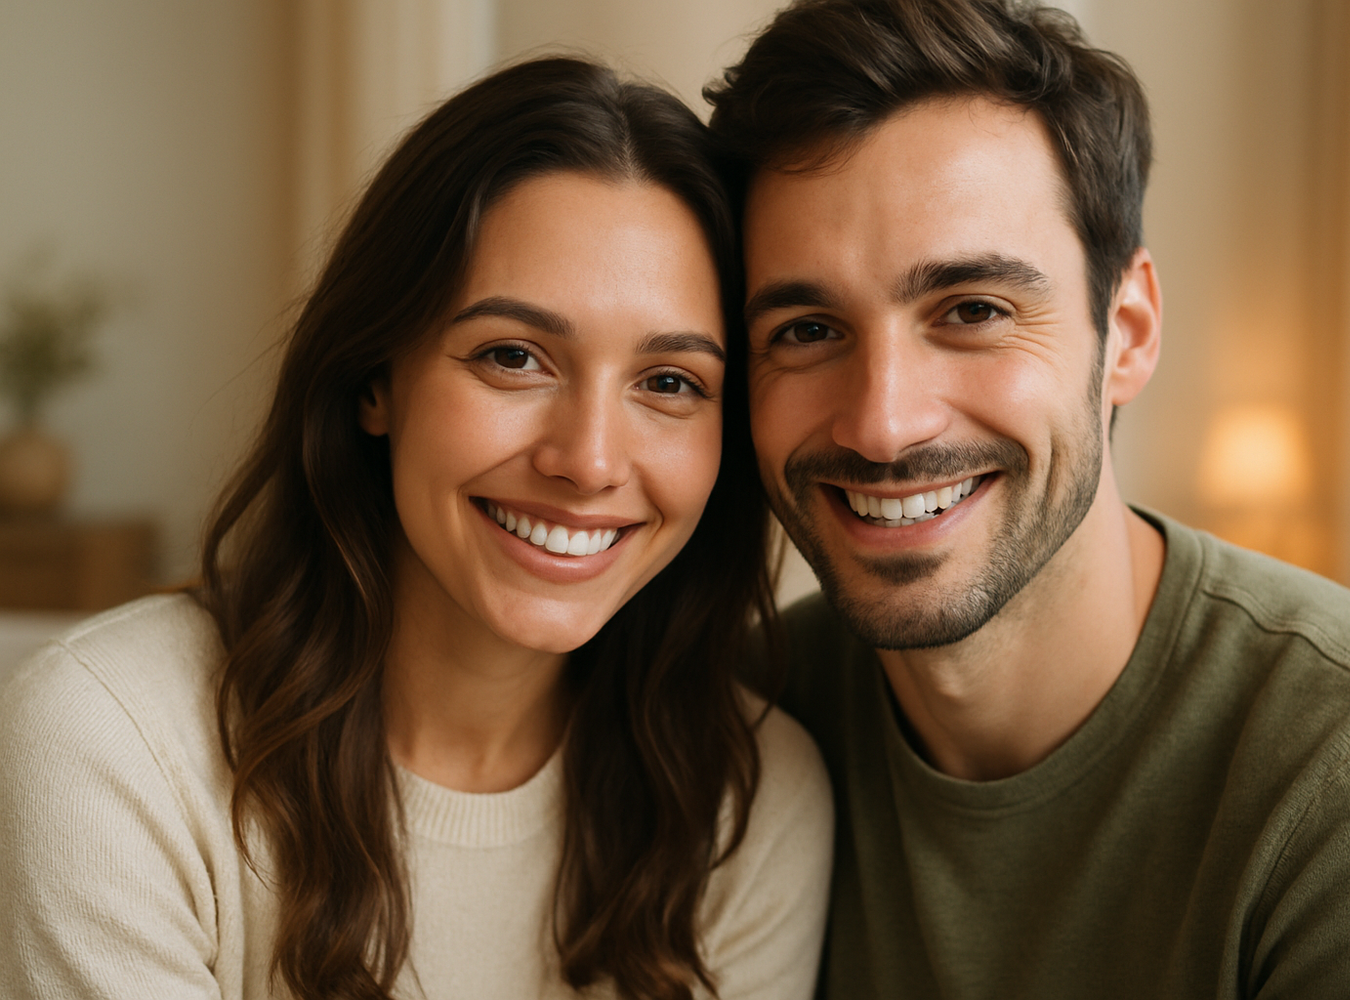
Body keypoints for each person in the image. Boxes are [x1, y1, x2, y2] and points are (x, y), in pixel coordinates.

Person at [704, 1, 1350, 996]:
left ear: (1125, 331)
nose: (883, 423)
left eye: (973, 310)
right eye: (808, 330)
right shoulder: (732, 727)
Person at [0, 58, 832, 1000]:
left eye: (670, 382)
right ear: (374, 381)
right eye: (513, 357)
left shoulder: (747, 802)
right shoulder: (114, 745)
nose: (590, 459)